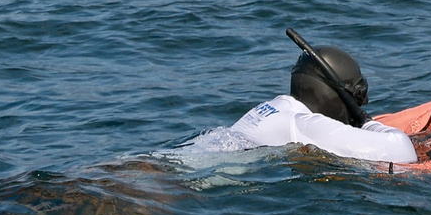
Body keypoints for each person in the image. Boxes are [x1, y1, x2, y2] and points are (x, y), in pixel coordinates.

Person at [176, 42, 417, 166]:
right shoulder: (304, 124)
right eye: (358, 97)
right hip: (172, 184)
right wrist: (367, 123)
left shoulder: (278, 107)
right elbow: (401, 151)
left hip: (169, 162)